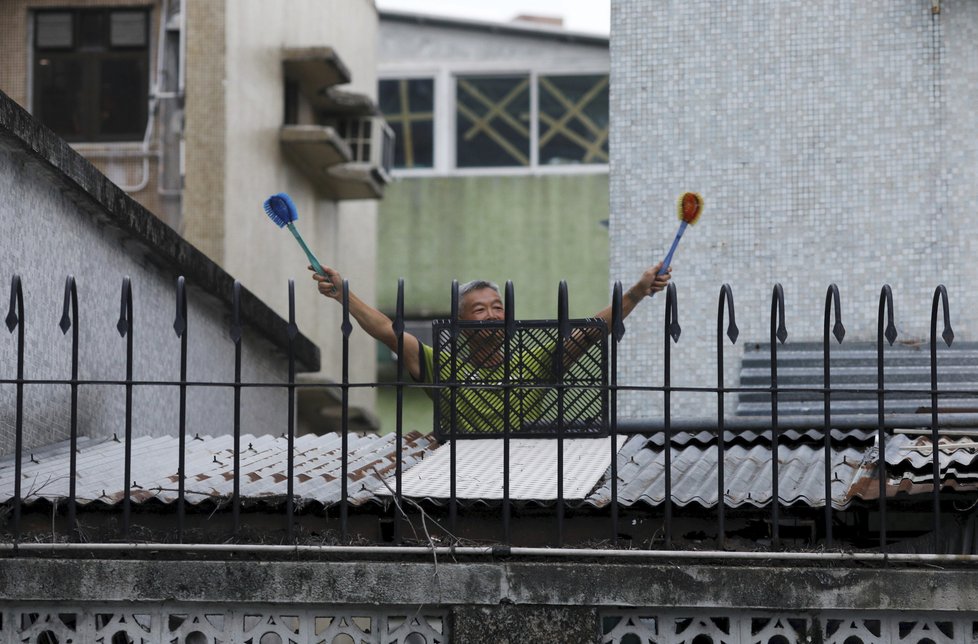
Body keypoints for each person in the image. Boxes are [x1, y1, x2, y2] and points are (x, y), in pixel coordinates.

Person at [311, 263, 671, 432]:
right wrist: (345, 295)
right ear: (461, 323)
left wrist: (636, 293)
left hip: (525, 464)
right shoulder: (441, 365)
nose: (492, 315)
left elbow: (591, 331)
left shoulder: (535, 360)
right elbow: (387, 330)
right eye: (479, 309)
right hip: (456, 470)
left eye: (498, 307)